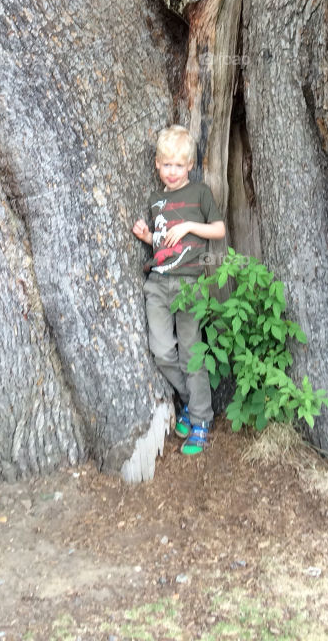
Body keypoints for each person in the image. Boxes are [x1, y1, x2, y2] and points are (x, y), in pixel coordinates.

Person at [132, 125, 225, 456]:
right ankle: (190, 400)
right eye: (166, 164)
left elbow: (218, 229)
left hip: (189, 286)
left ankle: (200, 419)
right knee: (161, 350)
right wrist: (147, 237)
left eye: (178, 165)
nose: (172, 171)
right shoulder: (156, 200)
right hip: (158, 283)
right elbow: (163, 244)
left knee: (192, 355)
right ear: (157, 164)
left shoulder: (199, 194)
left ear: (189, 166)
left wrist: (187, 225)